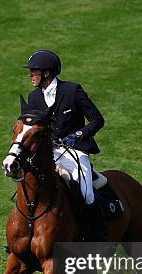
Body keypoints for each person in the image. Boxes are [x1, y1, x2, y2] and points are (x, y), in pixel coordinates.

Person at [22, 49, 107, 241]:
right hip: (46, 152)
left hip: (73, 151)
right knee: (27, 185)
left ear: (47, 73)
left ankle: (99, 236)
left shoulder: (72, 91)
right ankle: (21, 237)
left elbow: (97, 120)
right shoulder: (33, 98)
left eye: (33, 71)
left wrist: (79, 134)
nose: (30, 75)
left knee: (86, 194)